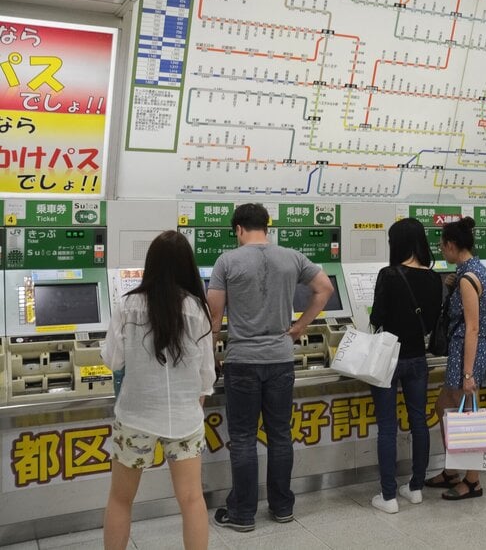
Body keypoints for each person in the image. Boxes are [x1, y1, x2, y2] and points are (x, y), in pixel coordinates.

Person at [207, 203, 334, 532]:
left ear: (238, 229)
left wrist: (211, 357)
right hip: (280, 358)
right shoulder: (291, 257)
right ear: (267, 226)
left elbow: (214, 319)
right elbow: (325, 289)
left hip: (243, 360)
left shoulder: (227, 261)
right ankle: (282, 508)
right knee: (280, 436)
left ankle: (243, 514)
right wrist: (299, 327)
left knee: (244, 438)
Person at [100, 231, 215, 550]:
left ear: (150, 265)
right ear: (187, 267)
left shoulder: (128, 305)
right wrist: (196, 402)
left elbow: (113, 359)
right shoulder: (197, 309)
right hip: (185, 419)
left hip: (135, 415)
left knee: (121, 499)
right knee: (192, 500)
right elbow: (206, 374)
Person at [368, 218, 443, 513]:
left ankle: (388, 496)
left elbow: (377, 317)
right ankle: (415, 488)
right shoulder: (435, 278)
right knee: (419, 422)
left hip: (388, 358)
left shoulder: (388, 274)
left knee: (387, 427)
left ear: (396, 243)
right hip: (417, 359)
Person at [424, 217, 486, 500]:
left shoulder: (468, 279)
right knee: (446, 407)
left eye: (443, 247)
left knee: (467, 415)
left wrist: (468, 374)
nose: (442, 251)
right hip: (466, 352)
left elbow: (472, 327)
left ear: (453, 245)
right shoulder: (475, 271)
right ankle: (453, 470)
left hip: (468, 353)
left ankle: (473, 481)